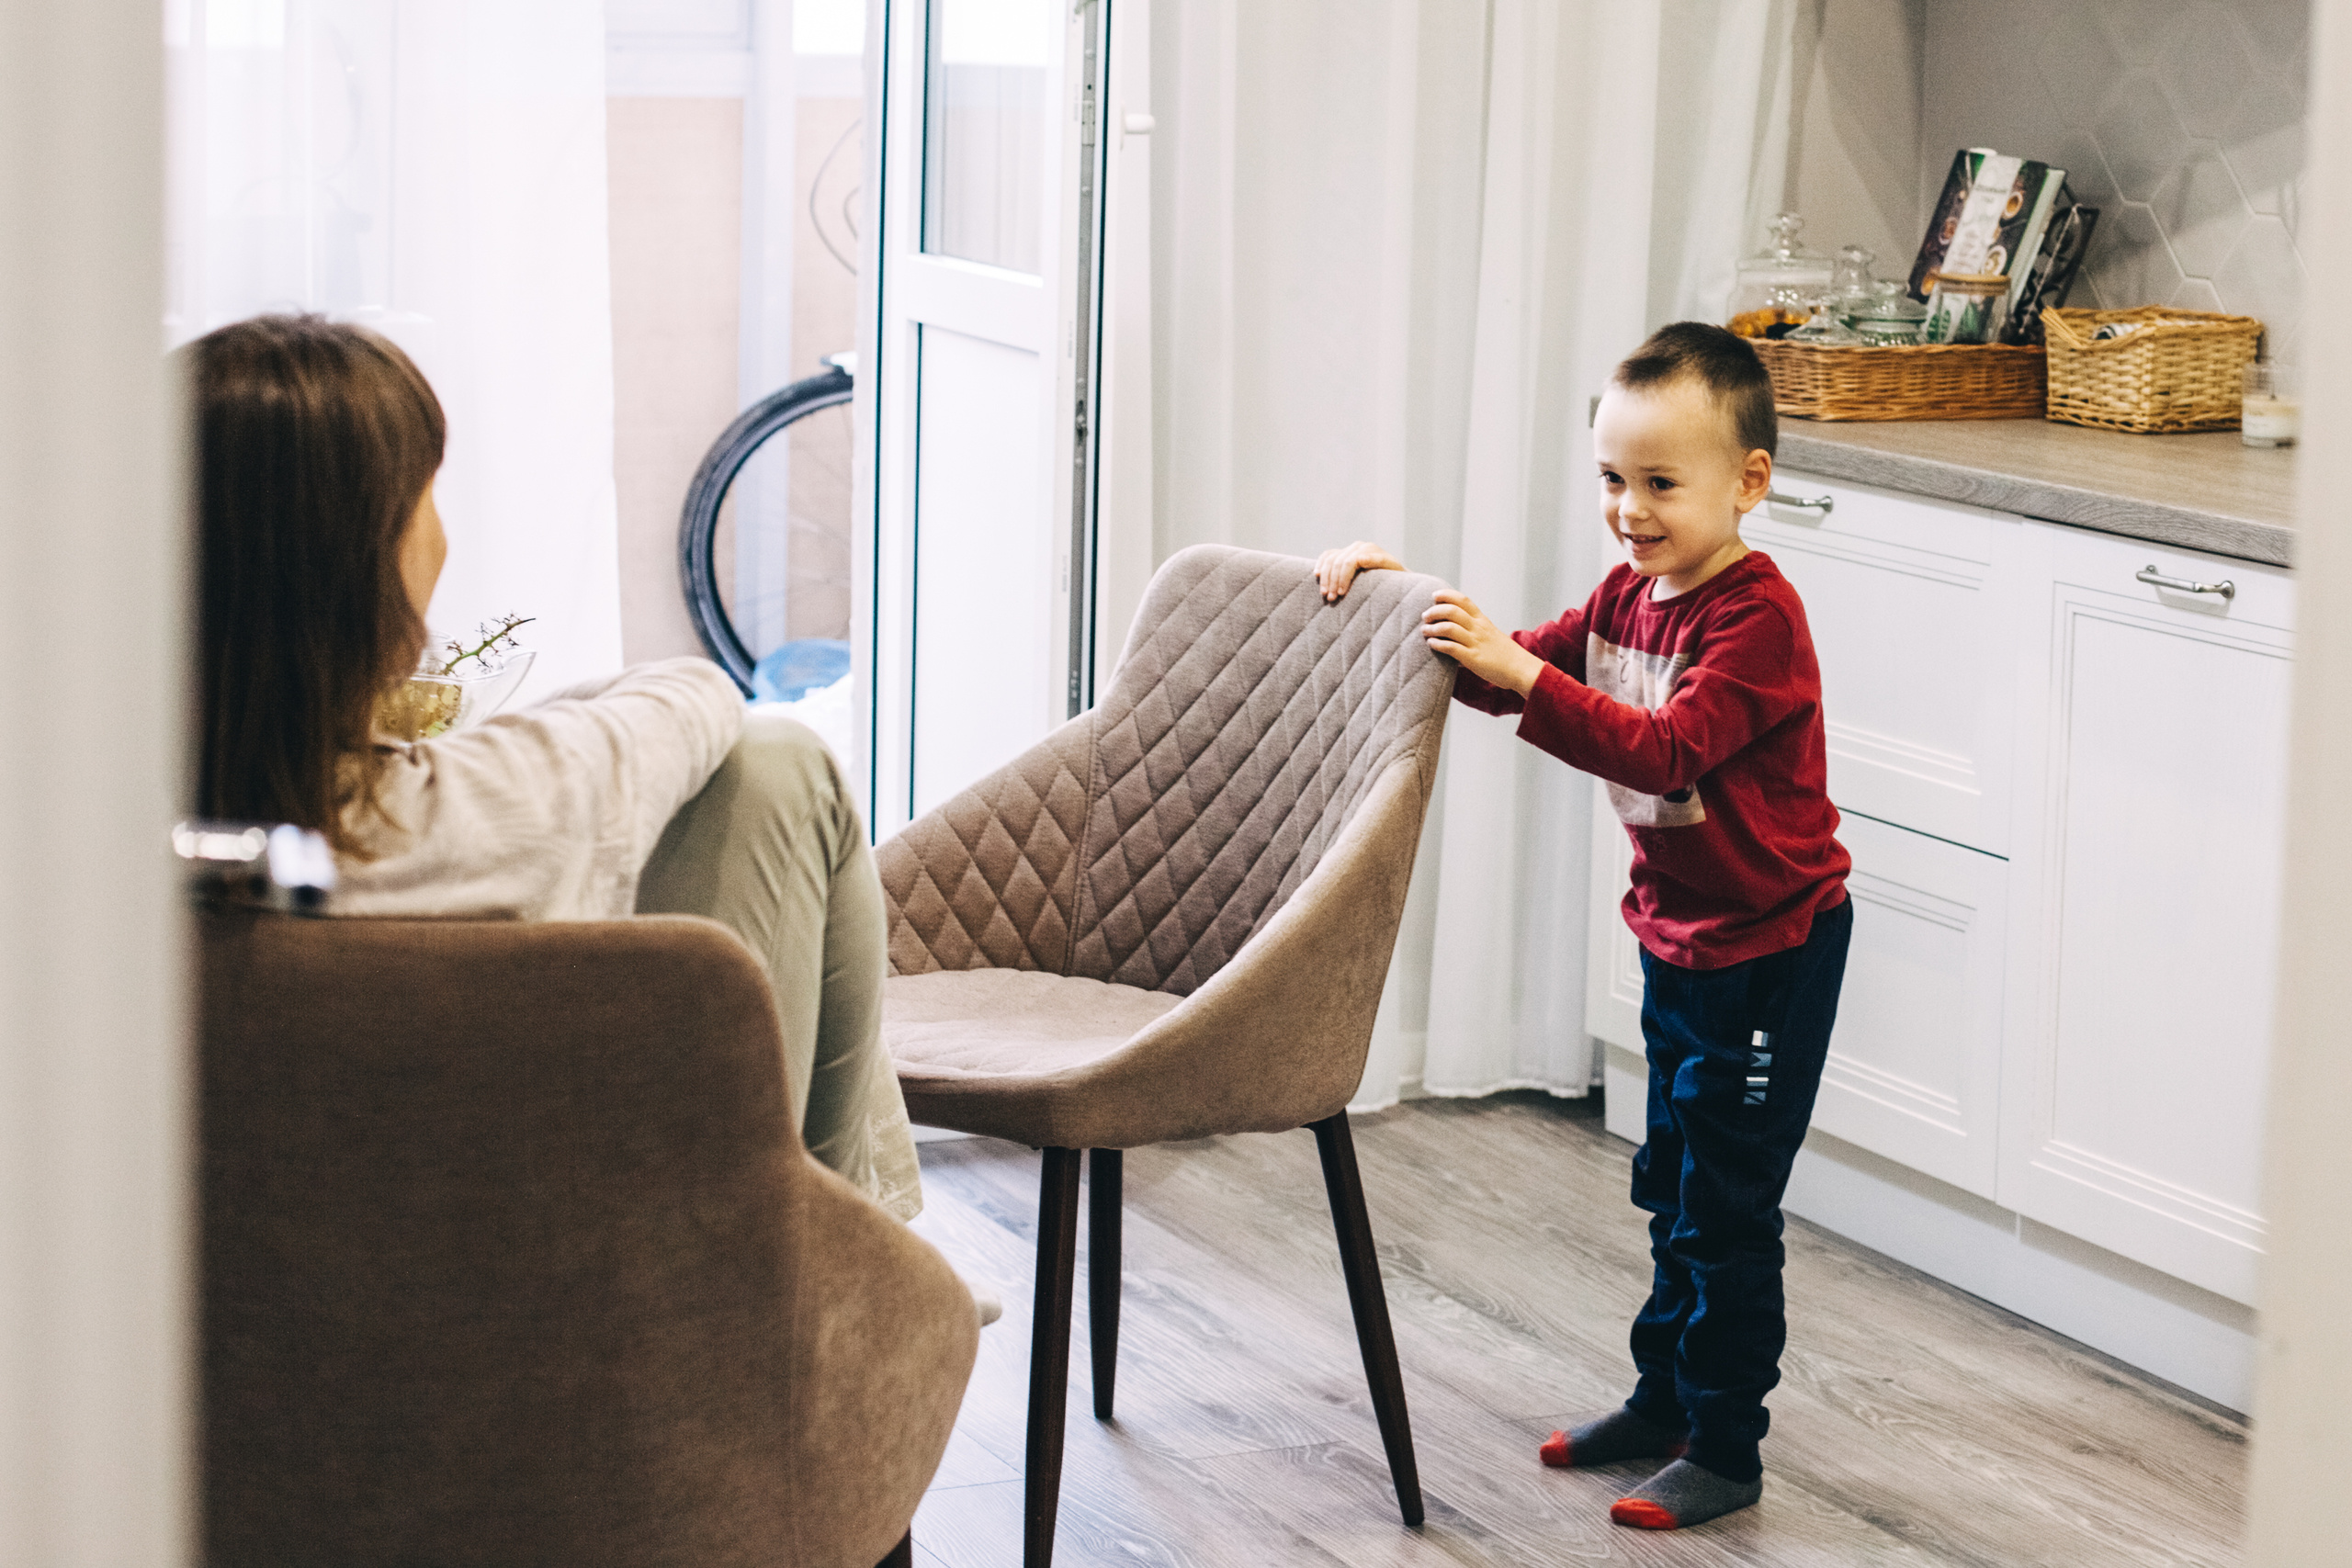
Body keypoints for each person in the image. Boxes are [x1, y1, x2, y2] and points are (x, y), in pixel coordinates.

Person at [187, 312, 922, 1222]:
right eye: (427, 492)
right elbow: (696, 695)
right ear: (371, 560)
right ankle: (838, 1247)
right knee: (776, 765)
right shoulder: (480, 809)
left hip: (231, 1309)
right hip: (534, 1276)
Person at [1314, 321, 1851, 1530]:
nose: (1631, 508)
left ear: (1748, 481)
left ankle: (1725, 1443)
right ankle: (1663, 1397)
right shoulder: (1627, 596)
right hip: (1682, 940)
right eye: (1614, 478)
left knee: (1726, 1206)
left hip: (1769, 953)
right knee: (1670, 1185)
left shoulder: (1755, 621)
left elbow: (1663, 749)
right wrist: (1407, 602)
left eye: (1662, 482)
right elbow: (1513, 672)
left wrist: (1514, 662)